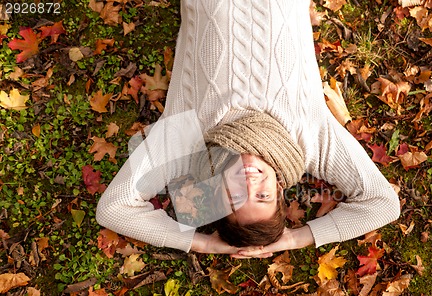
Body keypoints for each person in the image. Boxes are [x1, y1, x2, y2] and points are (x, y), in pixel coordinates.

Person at [96, 0, 400, 258]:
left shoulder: (185, 142)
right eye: (263, 196)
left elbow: (115, 209)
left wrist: (202, 243)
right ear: (279, 189)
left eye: (235, 198)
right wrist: (295, 238)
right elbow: (382, 204)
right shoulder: (311, 140)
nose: (250, 184)